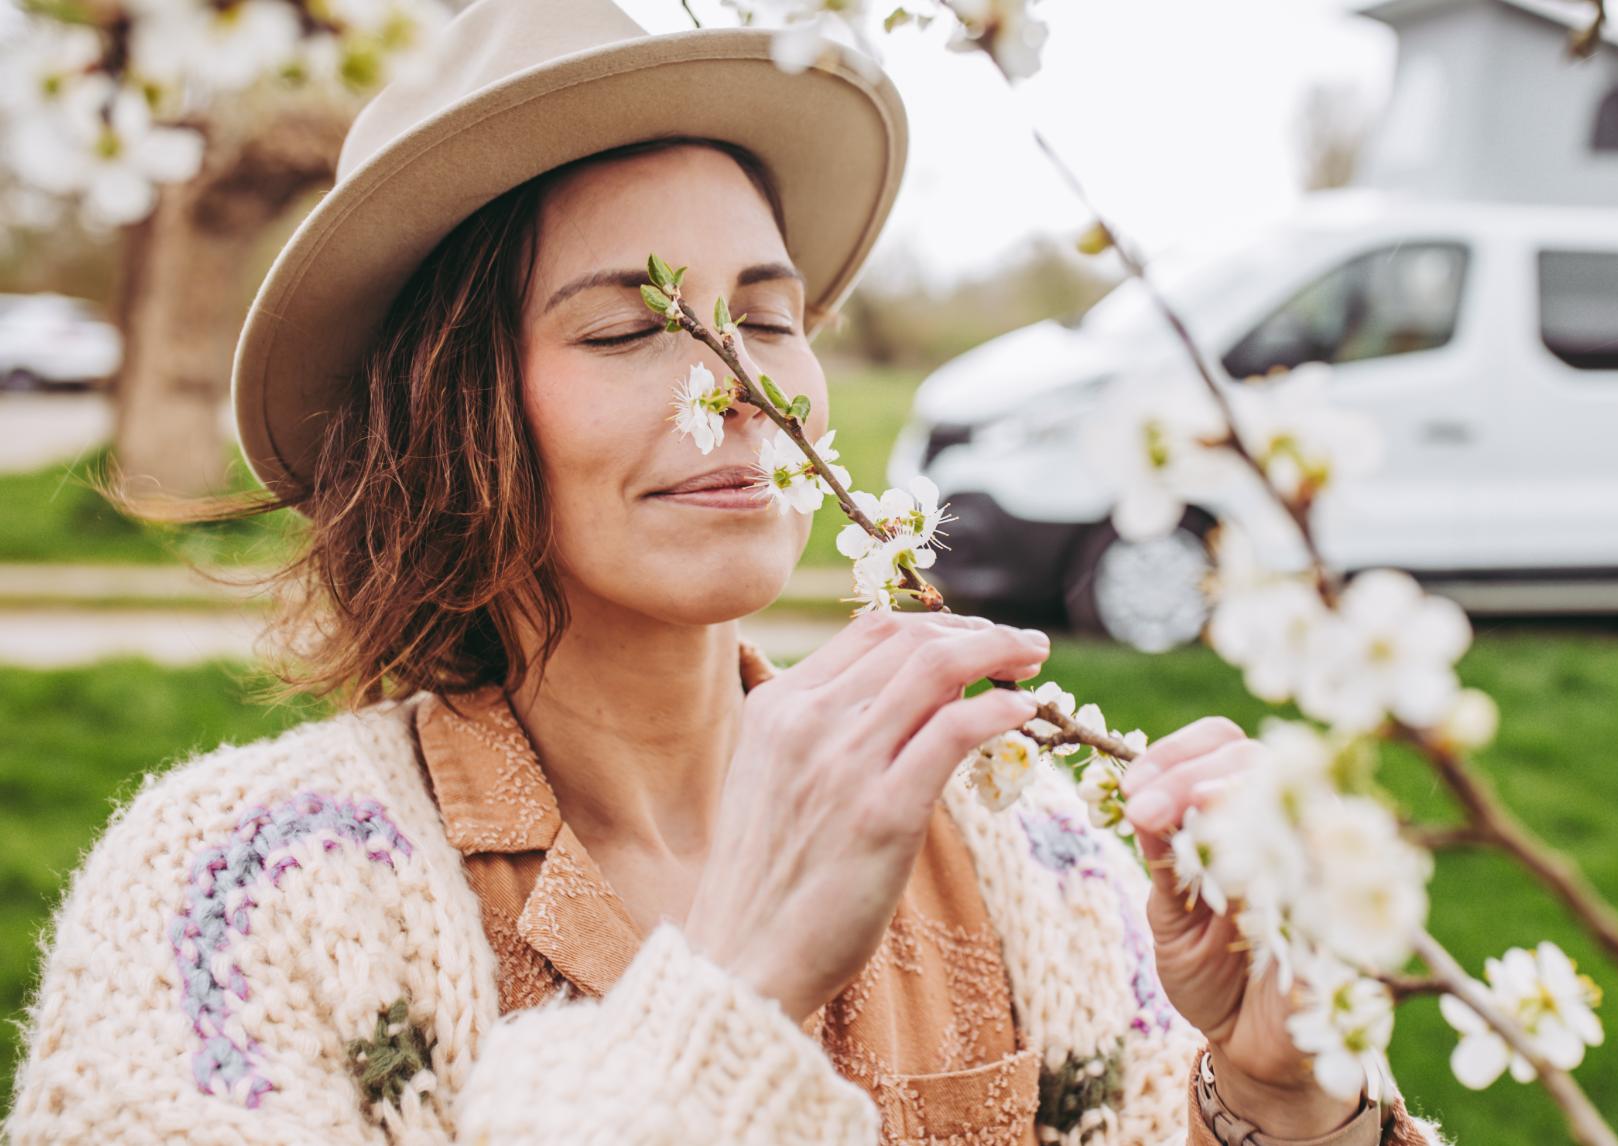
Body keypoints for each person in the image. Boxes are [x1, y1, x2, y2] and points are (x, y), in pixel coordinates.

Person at [5, 3, 1450, 1143]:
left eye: (768, 316)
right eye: (632, 331)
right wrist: (735, 992)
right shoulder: (234, 895)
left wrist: (1276, 1104)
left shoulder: (1033, 856)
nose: (744, 387)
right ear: (453, 415)